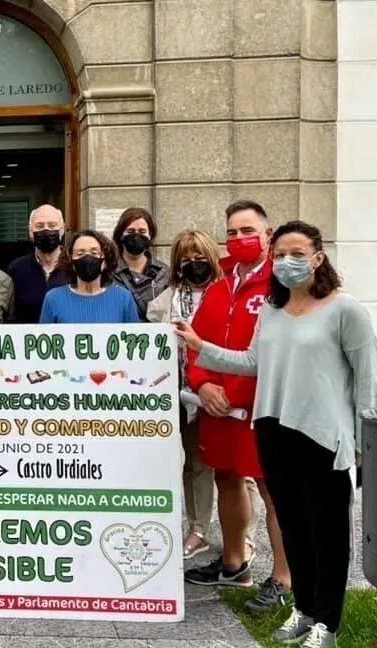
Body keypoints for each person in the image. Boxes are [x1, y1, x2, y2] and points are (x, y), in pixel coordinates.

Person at [176, 220, 376, 648]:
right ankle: (304, 610)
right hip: (273, 429)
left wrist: (363, 446)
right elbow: (252, 361)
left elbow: (367, 383)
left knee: (329, 534)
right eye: (281, 254)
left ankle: (329, 622)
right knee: (294, 527)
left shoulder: (345, 310)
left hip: (324, 436)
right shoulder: (272, 309)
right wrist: (199, 345)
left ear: (318, 258)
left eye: (298, 254)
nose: (287, 262)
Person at [184, 200, 291, 615]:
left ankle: (283, 577)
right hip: (217, 407)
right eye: (231, 232)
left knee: (274, 490)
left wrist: (238, 395)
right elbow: (197, 343)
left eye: (247, 230)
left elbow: (280, 353)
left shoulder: (279, 284)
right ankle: (234, 562)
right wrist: (204, 383)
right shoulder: (218, 284)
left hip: (263, 408)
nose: (238, 239)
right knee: (227, 480)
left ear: (268, 233)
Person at [146, 230, 260, 562]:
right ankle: (198, 528)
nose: (194, 265)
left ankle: (245, 536)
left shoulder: (228, 293)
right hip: (183, 395)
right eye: (186, 260)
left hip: (229, 393)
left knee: (239, 469)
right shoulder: (163, 302)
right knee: (194, 464)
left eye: (200, 258)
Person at [39, 229, 140, 324]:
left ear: (104, 262)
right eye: (80, 253)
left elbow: (135, 339)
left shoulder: (123, 298)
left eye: (94, 252)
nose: (87, 257)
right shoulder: (53, 299)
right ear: (72, 263)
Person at [8, 204, 67, 323]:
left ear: (62, 230)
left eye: (52, 225)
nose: (46, 230)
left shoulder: (75, 266)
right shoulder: (17, 268)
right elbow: (11, 314)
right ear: (30, 231)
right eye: (39, 226)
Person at [112, 207, 170, 321]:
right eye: (130, 231)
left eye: (142, 232)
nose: (136, 236)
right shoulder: (108, 272)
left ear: (150, 235)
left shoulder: (165, 272)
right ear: (120, 234)